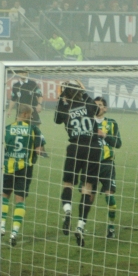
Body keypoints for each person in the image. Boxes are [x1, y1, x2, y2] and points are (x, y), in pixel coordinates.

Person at [54, 80, 101, 247]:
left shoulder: (65, 107)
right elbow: (97, 109)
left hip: (75, 147)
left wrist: (61, 97)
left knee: (69, 183)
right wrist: (84, 92)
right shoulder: (87, 103)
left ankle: (67, 211)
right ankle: (81, 226)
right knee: (87, 187)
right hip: (93, 147)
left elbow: (56, 120)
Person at [2, 104, 45, 247]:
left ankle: (1, 227)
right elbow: (39, 150)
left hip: (8, 167)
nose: (32, 117)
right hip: (25, 169)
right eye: (31, 114)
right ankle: (14, 232)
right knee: (20, 200)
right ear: (25, 114)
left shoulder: (7, 129)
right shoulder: (34, 130)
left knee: (4, 196)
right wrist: (43, 153)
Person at [93, 97, 122, 238]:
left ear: (105, 108)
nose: (97, 107)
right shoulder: (87, 122)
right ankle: (81, 226)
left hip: (107, 164)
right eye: (95, 105)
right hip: (90, 165)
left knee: (110, 199)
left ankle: (111, 227)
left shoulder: (111, 123)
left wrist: (105, 135)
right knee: (87, 197)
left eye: (100, 105)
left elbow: (118, 143)